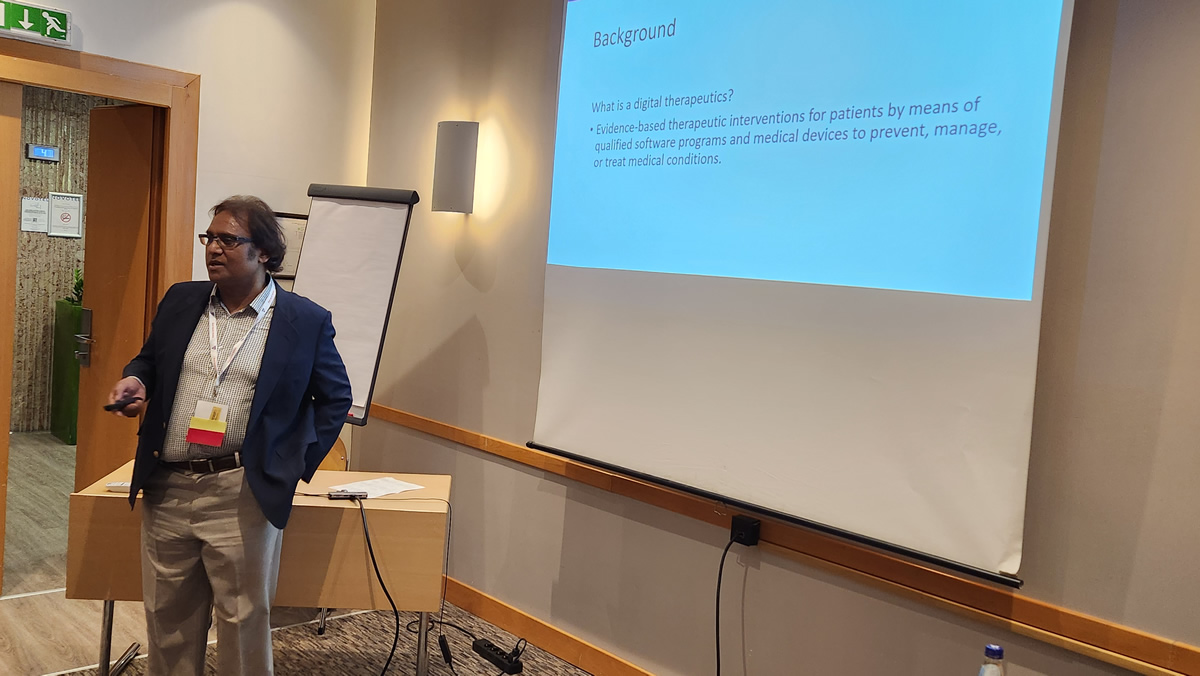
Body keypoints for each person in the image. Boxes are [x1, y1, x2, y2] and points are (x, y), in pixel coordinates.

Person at [107, 195, 352, 675]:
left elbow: (335, 398)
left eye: (228, 240)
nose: (213, 248)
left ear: (264, 252)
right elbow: (150, 360)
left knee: (243, 620)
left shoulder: (304, 321)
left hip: (241, 490)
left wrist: (290, 465)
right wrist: (136, 379)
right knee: (167, 620)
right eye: (210, 238)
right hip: (168, 486)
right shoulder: (181, 300)